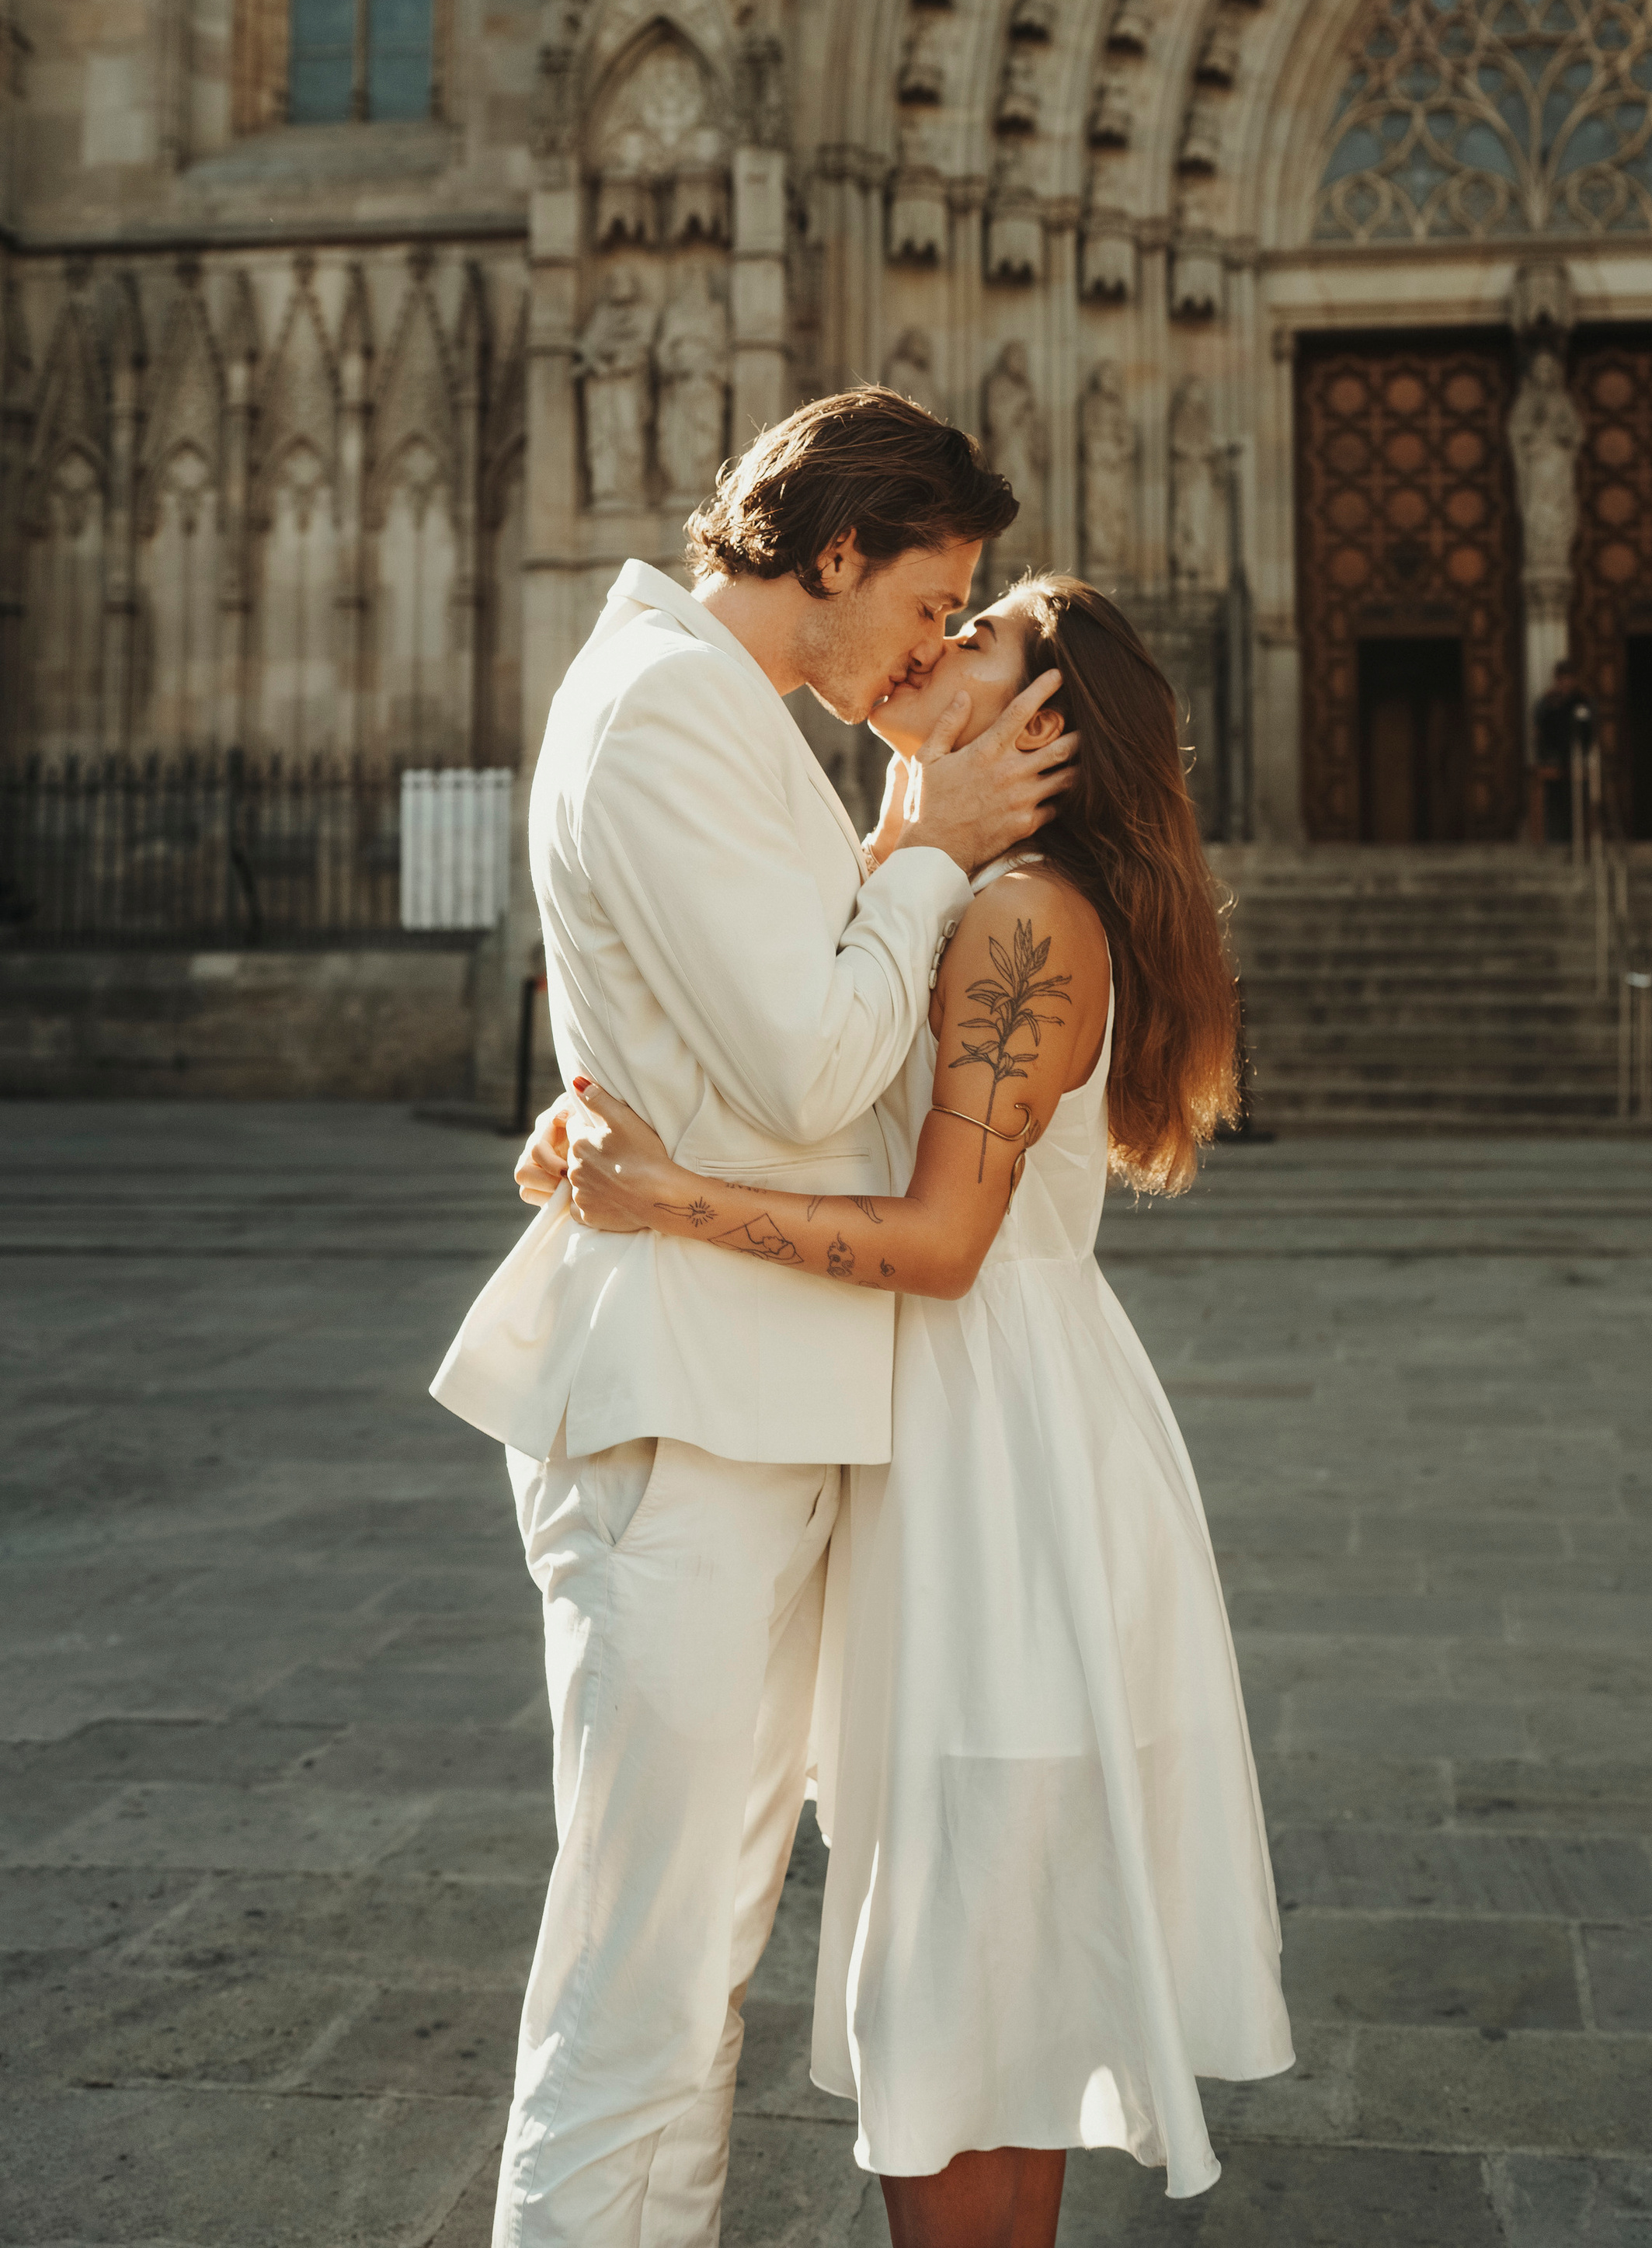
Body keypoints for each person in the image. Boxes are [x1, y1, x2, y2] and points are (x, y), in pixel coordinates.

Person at [541, 575, 1292, 2245]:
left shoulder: (1025, 919)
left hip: (994, 1479)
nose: (930, 646)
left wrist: (662, 1200)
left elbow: (945, 1241)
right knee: (981, 2004)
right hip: (975, 1449)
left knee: (954, 2008)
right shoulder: (972, 889)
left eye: (977, 639)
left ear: (1043, 727)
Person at [430, 389, 1078, 2248]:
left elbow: (744, 1034)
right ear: (835, 549)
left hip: (741, 1401)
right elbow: (807, 1063)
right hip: (689, 1417)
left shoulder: (705, 714)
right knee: (638, 1991)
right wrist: (934, 839)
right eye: (929, 595)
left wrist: (899, 842)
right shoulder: (659, 714)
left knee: (677, 1967)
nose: (934, 646)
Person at [1532, 656, 1595, 845]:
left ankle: (1580, 843)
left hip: (1578, 761)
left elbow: (1590, 731)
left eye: (1569, 678)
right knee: (1555, 808)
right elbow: (1539, 730)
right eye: (1562, 679)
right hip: (1554, 761)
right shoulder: (1547, 702)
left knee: (1578, 808)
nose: (1566, 683)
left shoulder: (1583, 701)